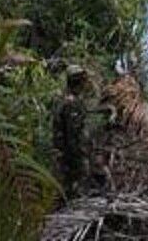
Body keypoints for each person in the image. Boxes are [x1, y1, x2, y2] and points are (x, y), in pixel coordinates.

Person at [52, 65, 90, 198]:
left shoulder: (61, 99)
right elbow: (72, 134)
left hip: (63, 154)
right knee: (73, 190)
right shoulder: (71, 103)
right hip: (69, 156)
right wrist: (77, 158)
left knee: (64, 189)